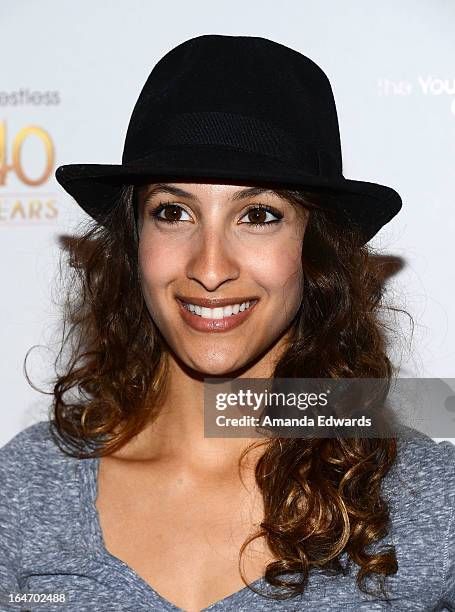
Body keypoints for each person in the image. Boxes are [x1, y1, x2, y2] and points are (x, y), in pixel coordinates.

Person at [0, 34, 454, 612]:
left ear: (315, 251)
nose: (209, 268)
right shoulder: (26, 485)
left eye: (258, 215)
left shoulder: (428, 500)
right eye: (173, 212)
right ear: (134, 243)